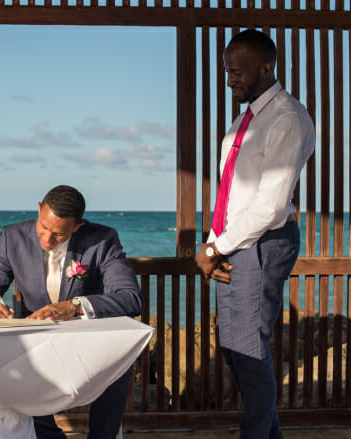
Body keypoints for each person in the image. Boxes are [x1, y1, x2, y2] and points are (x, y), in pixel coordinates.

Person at [195, 29, 315, 439]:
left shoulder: (288, 118)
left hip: (263, 241)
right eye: (227, 71)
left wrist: (217, 246)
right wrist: (213, 241)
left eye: (238, 72)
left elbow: (269, 205)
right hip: (236, 240)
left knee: (248, 347)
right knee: (233, 347)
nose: (231, 79)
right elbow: (232, 191)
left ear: (267, 68)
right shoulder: (245, 121)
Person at [0, 184, 143, 439]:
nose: (48, 239)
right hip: (35, 343)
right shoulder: (12, 237)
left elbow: (131, 298)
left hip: (85, 342)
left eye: (60, 235)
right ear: (39, 209)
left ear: (77, 226)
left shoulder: (102, 239)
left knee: (116, 365)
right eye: (44, 227)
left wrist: (75, 307)